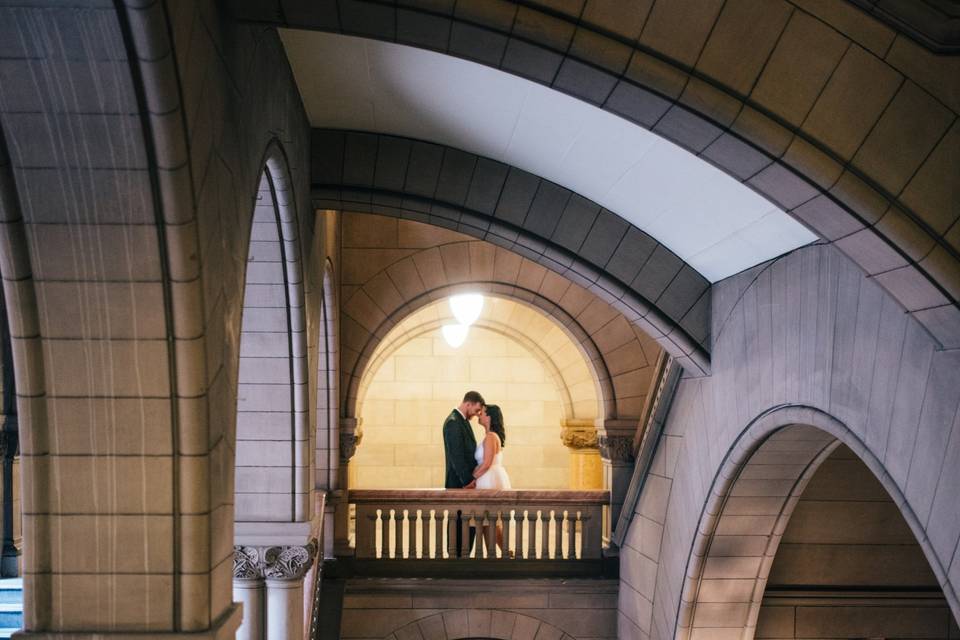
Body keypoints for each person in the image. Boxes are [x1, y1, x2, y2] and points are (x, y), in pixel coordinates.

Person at [473, 404, 511, 556]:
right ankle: (495, 555)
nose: (479, 415)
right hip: (488, 478)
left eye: (482, 413)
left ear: (489, 417)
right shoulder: (491, 436)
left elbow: (487, 463)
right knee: (486, 522)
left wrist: (472, 480)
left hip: (487, 481)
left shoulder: (490, 437)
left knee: (490, 522)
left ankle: (504, 553)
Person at [443, 390, 484, 489]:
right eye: (476, 410)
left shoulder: (462, 421)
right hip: (459, 483)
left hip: (464, 482)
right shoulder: (453, 422)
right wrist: (468, 481)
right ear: (468, 404)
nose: (477, 414)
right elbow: (457, 456)